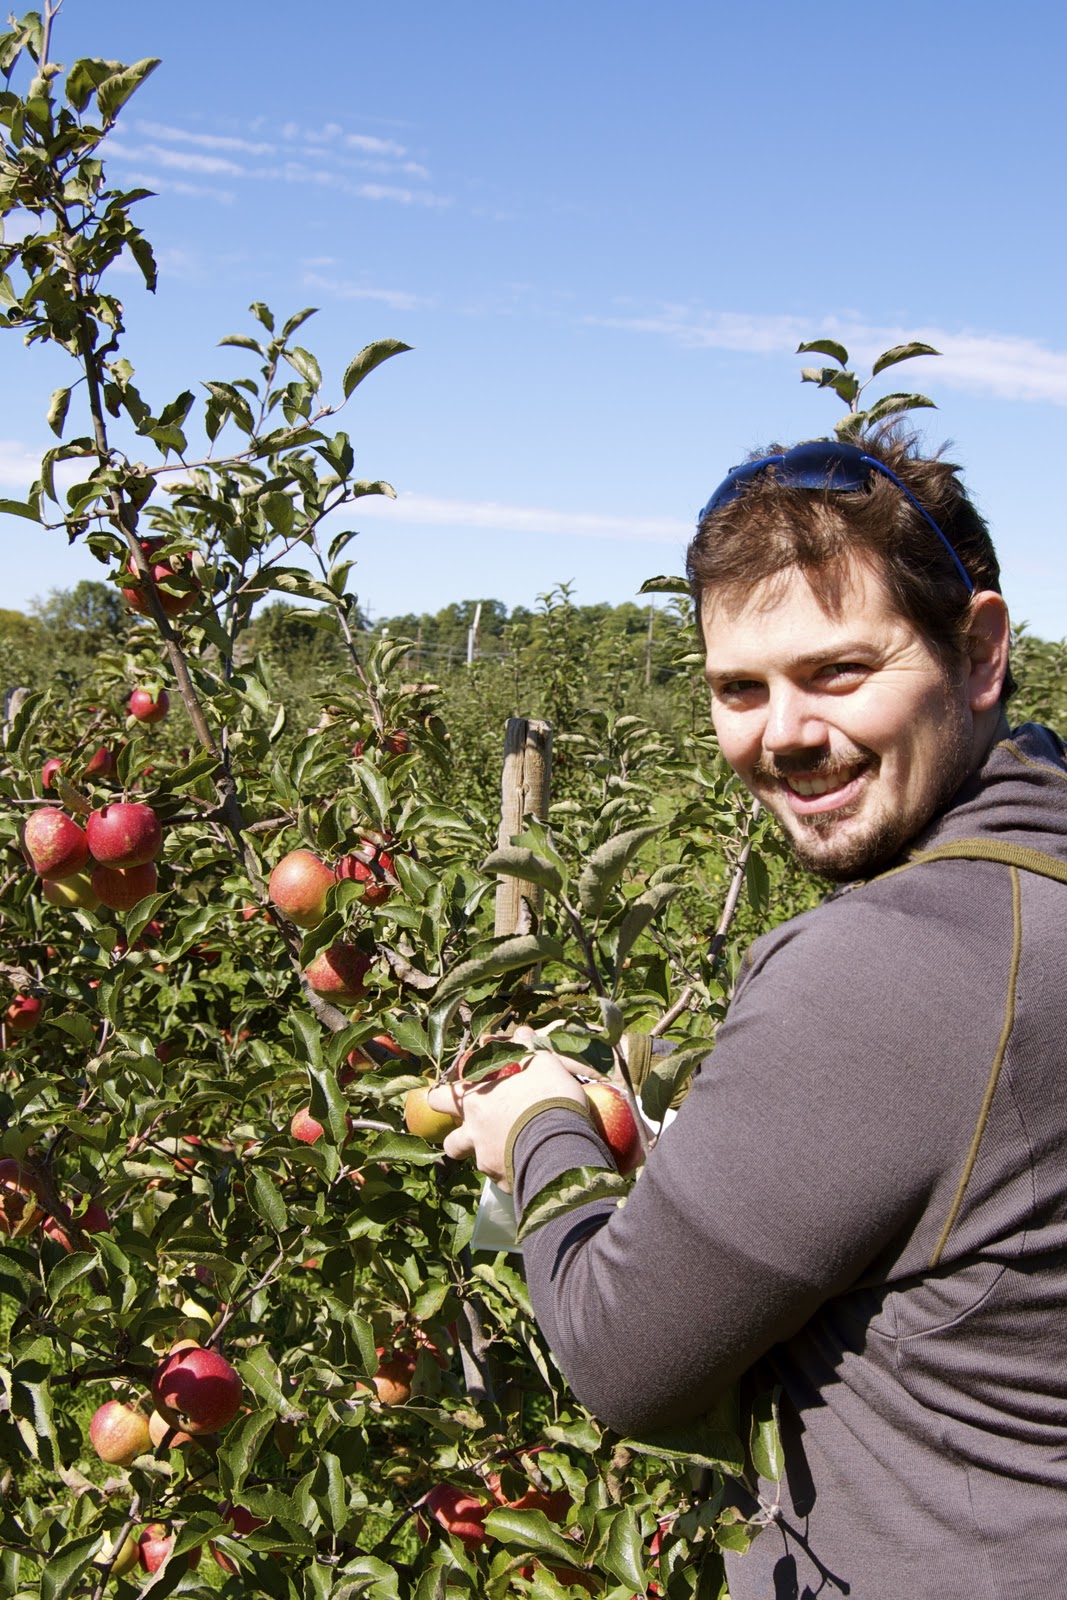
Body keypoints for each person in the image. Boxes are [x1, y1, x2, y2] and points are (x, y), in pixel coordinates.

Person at [428, 432, 1067, 1599]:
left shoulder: (891, 966)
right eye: (739, 687)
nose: (780, 732)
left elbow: (622, 1355)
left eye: (837, 671)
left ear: (977, 654)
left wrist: (539, 1123)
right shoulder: (1036, 898)